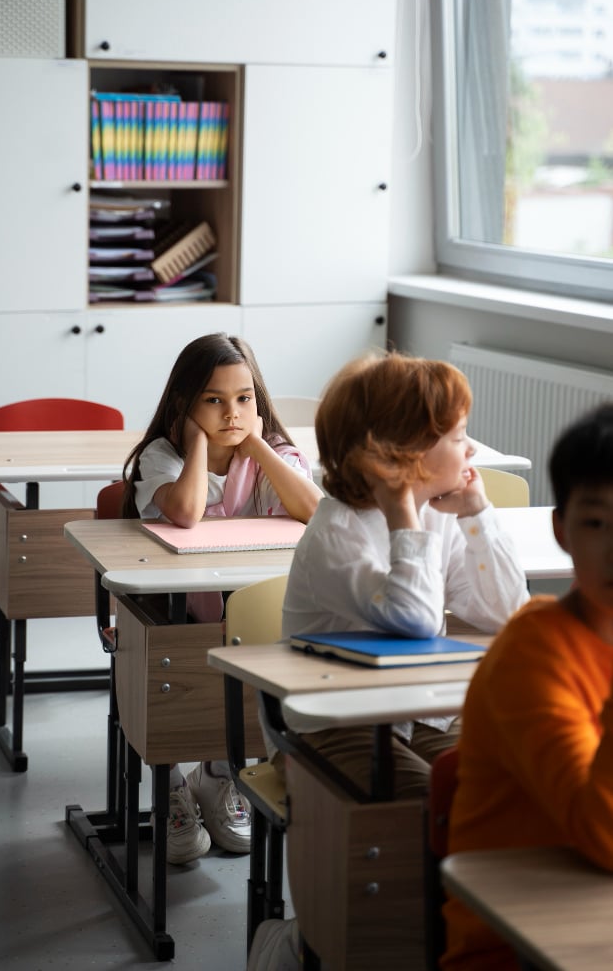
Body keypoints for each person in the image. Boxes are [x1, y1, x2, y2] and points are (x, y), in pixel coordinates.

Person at [248, 349, 529, 970]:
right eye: (457, 438)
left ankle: (458, 940)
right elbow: (415, 620)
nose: (471, 451)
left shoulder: (437, 513)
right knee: (425, 806)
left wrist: (477, 515)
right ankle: (301, 939)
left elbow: (504, 611)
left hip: (416, 715)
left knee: (492, 792)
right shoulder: (340, 529)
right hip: (329, 726)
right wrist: (406, 515)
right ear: (403, 454)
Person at [122, 332, 322, 866]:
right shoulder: (164, 456)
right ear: (184, 404)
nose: (231, 412)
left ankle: (218, 774)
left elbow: (311, 508)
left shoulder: (274, 453)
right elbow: (185, 512)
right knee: (180, 681)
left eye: (244, 398)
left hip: (255, 614)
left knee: (257, 679)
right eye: (213, 399)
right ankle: (170, 784)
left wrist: (256, 444)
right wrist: (199, 447)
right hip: (180, 615)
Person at [441, 402, 613, 971]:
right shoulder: (534, 652)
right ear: (562, 530)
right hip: (517, 946)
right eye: (596, 523)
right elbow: (604, 836)